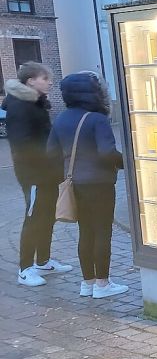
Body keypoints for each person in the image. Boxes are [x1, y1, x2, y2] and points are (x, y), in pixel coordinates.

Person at [48, 72, 127, 299]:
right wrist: (127, 163)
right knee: (102, 231)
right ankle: (103, 284)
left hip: (75, 184)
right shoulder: (96, 119)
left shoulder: (61, 119)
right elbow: (107, 153)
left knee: (85, 231)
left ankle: (87, 283)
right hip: (100, 183)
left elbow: (50, 153)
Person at [3, 62, 73, 287]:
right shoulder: (20, 106)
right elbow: (23, 144)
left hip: (48, 171)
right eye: (45, 78)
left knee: (47, 215)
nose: (50, 82)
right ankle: (25, 269)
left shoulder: (35, 102)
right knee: (33, 218)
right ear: (30, 81)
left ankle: (43, 260)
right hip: (33, 174)